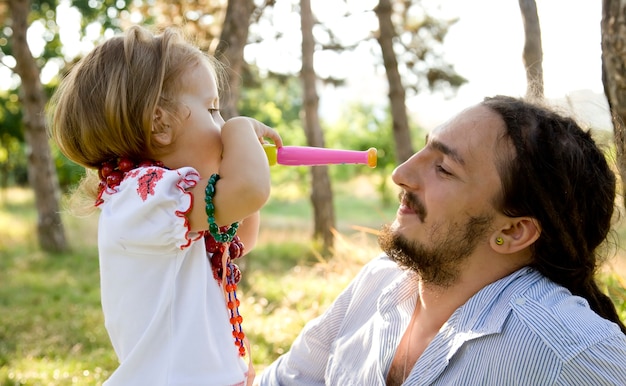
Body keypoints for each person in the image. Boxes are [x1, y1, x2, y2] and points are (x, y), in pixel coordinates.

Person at [258, 95, 626, 385]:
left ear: (514, 231)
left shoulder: (570, 350)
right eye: (425, 149)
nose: (401, 174)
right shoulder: (382, 280)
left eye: (444, 169)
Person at [48, 25, 282, 386]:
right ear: (160, 123)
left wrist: (234, 165)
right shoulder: (143, 197)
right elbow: (250, 190)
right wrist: (238, 132)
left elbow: (243, 236)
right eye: (213, 109)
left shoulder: (170, 203)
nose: (222, 125)